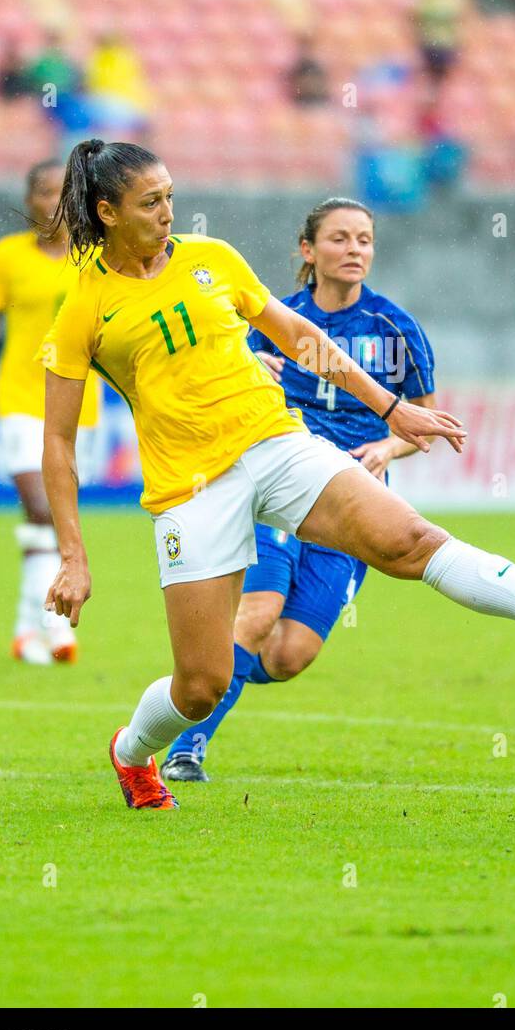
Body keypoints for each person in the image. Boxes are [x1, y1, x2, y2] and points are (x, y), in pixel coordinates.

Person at [41, 139, 515, 811]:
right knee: (201, 686)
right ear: (107, 212)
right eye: (150, 203)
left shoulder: (211, 258)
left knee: (409, 542)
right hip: (193, 489)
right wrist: (73, 555)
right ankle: (131, 754)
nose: (167, 214)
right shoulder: (83, 307)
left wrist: (392, 410)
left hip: (277, 443)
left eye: (171, 197)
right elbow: (60, 443)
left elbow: (303, 338)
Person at [161, 196, 436, 783]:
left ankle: (214, 675)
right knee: (257, 616)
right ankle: (187, 746)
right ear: (308, 251)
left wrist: (389, 447)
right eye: (339, 238)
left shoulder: (395, 327)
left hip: (353, 498)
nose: (354, 249)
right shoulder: (270, 320)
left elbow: (425, 419)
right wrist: (249, 373)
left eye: (364, 239)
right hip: (278, 483)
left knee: (288, 655)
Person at [0, 160, 101, 665]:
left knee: (53, 518)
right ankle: (50, 628)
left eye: (62, 192)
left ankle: (27, 630)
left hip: (80, 403)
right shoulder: (7, 256)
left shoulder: (94, 258)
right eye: (42, 191)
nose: (52, 201)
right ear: (29, 199)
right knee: (42, 508)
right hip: (18, 396)